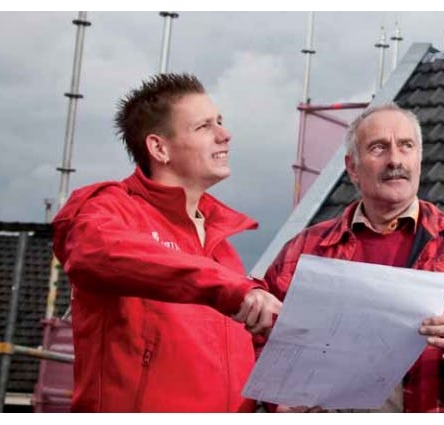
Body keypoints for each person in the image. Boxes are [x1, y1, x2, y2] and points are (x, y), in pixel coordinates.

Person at [264, 102, 444, 413]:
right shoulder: (305, 249)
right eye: (378, 148)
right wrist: (279, 404)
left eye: (406, 146)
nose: (395, 160)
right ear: (352, 167)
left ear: (419, 160)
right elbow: (261, 339)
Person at [52, 73, 281, 412]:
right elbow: (94, 251)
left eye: (220, 121)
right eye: (204, 126)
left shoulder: (222, 249)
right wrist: (232, 288)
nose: (225, 134)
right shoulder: (112, 209)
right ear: (159, 148)